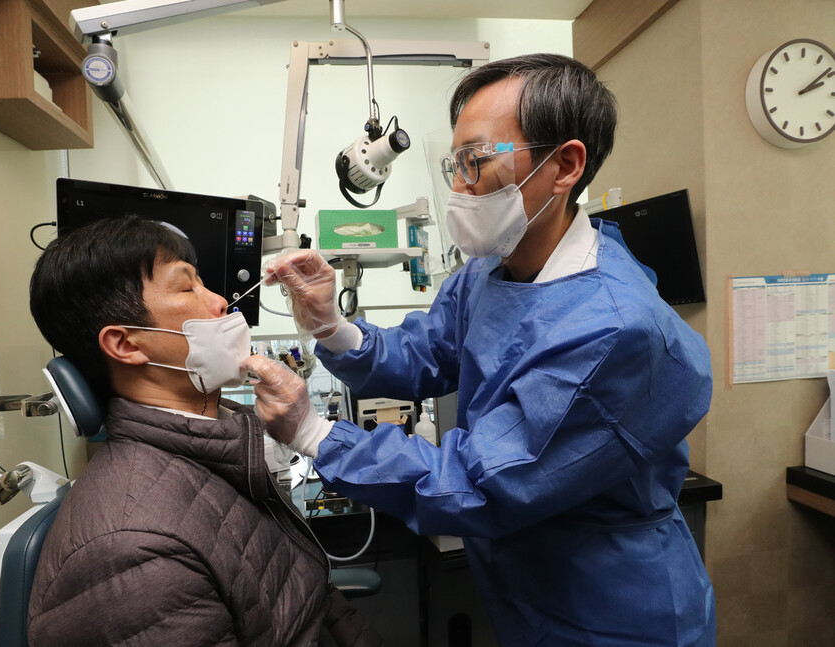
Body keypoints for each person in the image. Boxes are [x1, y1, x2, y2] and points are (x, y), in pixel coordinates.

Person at [244, 53, 715, 646]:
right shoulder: (493, 269)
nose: (459, 186)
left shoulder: (613, 331)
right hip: (528, 588)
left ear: (565, 165)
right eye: (453, 164)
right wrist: (328, 321)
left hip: (613, 612)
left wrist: (313, 433)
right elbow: (423, 353)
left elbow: (481, 482)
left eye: (477, 161)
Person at [26, 215, 380, 646]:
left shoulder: (218, 448)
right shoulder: (127, 553)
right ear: (126, 344)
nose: (219, 302)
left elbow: (308, 601)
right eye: (186, 287)